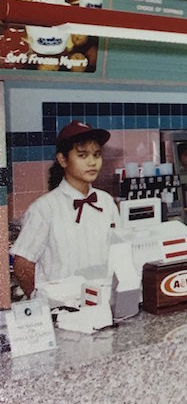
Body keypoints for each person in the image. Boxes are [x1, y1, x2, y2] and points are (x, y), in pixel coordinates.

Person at [11, 120, 120, 298]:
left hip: (103, 303)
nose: (92, 162)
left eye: (97, 154)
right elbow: (23, 264)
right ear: (63, 160)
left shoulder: (106, 203)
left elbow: (118, 252)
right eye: (83, 155)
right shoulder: (44, 208)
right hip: (60, 310)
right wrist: (42, 302)